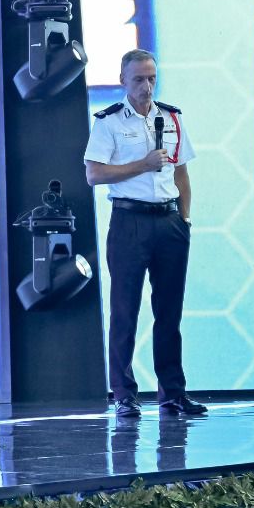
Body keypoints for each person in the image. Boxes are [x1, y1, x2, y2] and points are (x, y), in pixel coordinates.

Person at [85, 48, 207, 418]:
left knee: (169, 312)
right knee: (125, 311)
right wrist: (142, 164)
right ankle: (124, 394)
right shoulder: (108, 122)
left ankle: (173, 393)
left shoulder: (171, 118)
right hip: (129, 222)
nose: (147, 86)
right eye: (139, 79)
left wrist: (185, 218)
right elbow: (94, 174)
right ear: (123, 80)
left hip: (169, 222)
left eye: (152, 78)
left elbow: (181, 172)